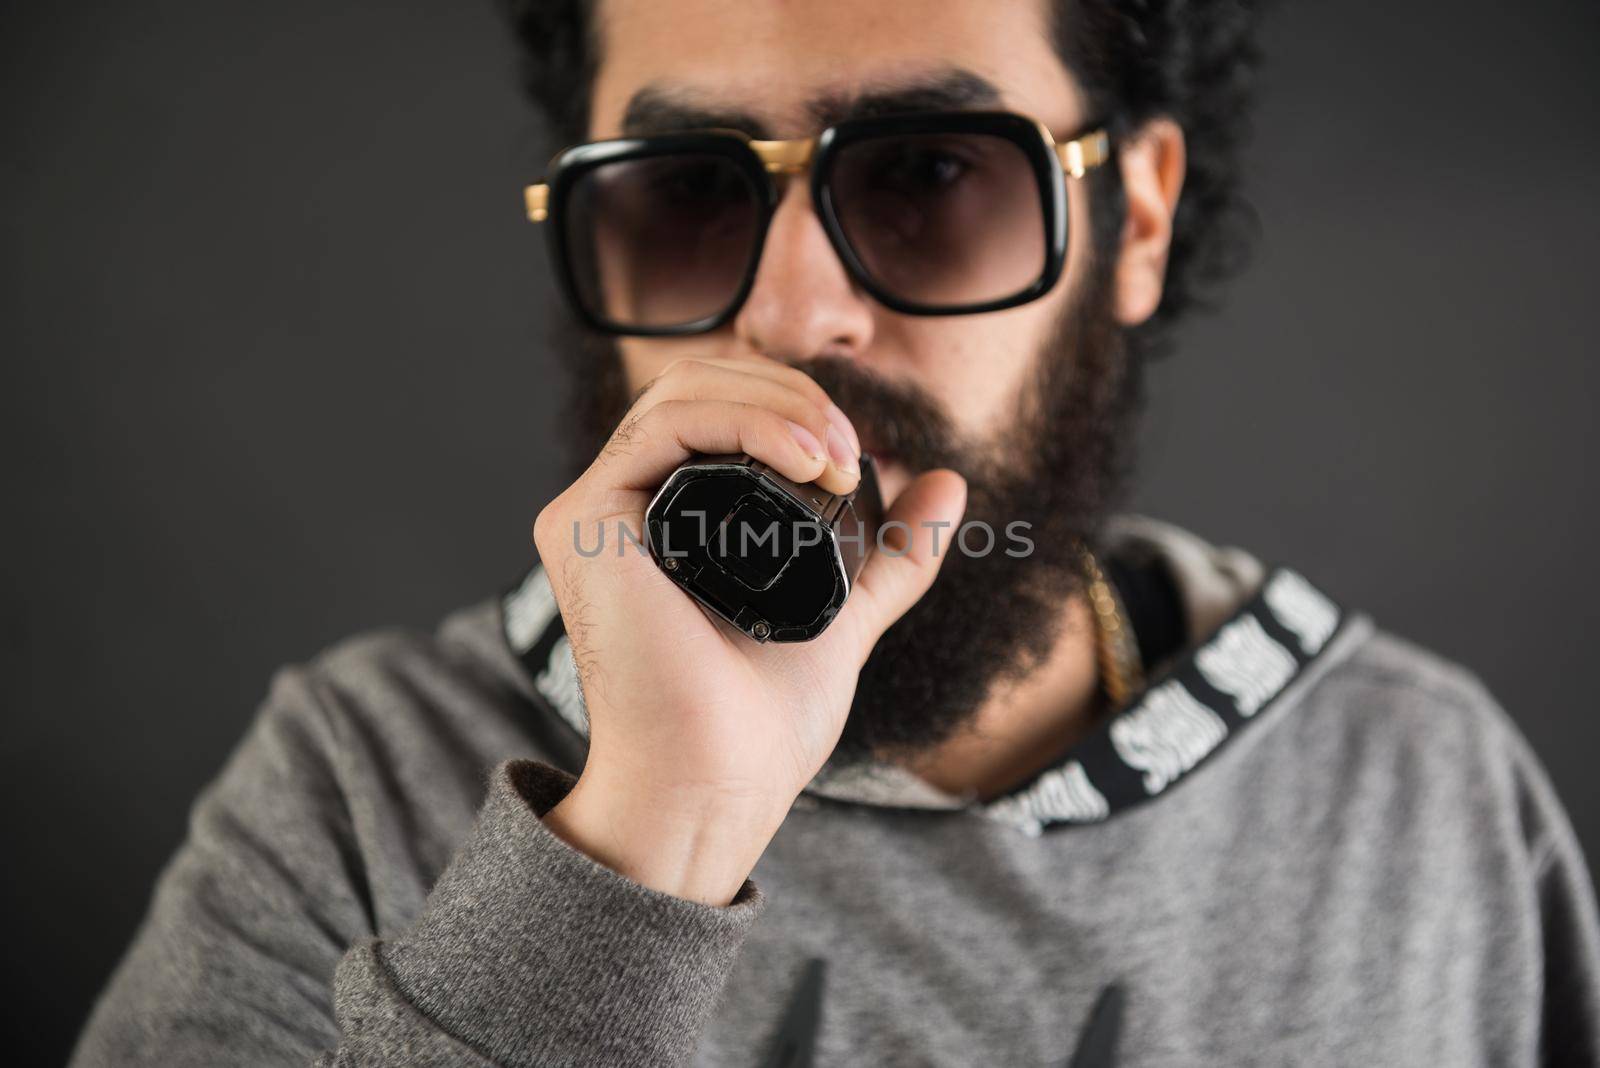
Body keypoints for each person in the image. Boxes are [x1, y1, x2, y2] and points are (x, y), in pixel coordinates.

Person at [73, 0, 1600, 1064]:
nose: (795, 312)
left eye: (934, 174)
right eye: (683, 191)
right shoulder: (357, 787)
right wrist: (643, 841)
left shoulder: (1424, 796)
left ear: (1133, 220)